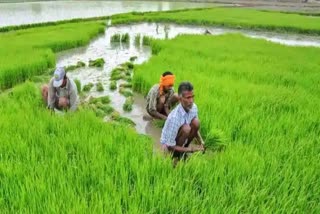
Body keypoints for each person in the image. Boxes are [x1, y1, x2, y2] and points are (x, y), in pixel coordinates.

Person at [160, 81, 205, 161]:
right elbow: (170, 145)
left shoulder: (194, 108)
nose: (191, 101)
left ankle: (184, 148)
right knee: (186, 128)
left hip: (181, 136)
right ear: (180, 99)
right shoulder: (174, 117)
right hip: (168, 144)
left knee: (196, 122)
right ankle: (177, 154)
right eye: (188, 97)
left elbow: (195, 128)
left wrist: (200, 141)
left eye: (192, 97)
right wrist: (191, 149)